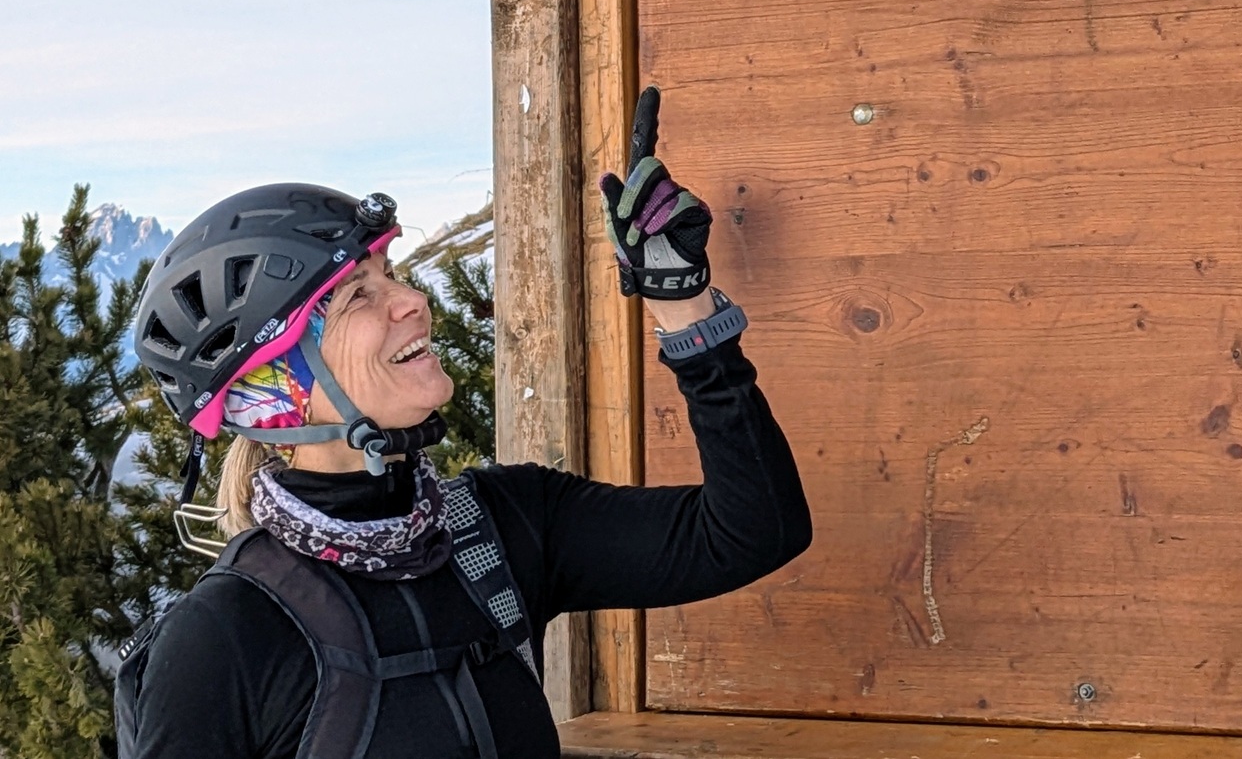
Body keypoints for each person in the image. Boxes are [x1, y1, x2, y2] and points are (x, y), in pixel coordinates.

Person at [126, 88, 811, 759]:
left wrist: (685, 312)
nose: (411, 300)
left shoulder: (501, 526)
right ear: (279, 389)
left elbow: (752, 531)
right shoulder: (226, 636)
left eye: (390, 274)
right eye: (358, 296)